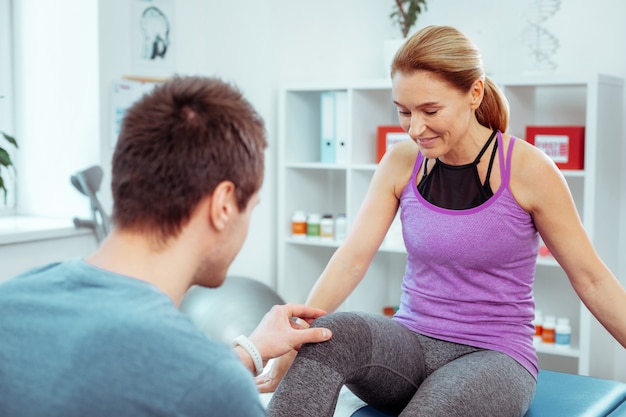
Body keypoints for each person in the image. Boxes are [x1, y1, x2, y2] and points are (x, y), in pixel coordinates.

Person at [263, 25, 626, 417]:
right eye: (403, 111)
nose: (415, 128)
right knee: (329, 336)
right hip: (408, 347)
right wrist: (292, 343)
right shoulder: (402, 163)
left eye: (430, 111)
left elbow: (592, 278)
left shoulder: (528, 169)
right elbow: (351, 259)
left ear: (474, 93)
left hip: (495, 356)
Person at [0, 75, 332, 417]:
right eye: (253, 207)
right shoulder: (211, 386)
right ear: (224, 205)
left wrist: (249, 351)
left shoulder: (9, 302)